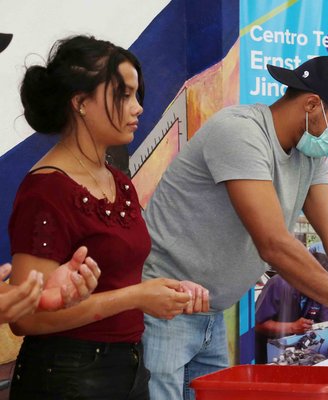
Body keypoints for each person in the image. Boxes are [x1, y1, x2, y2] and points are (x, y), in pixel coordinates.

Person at [141, 55, 328, 399]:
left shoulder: (311, 155)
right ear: (312, 104)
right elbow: (274, 243)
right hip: (164, 309)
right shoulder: (241, 132)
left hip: (209, 312)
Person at [8, 35, 199, 400]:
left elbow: (119, 277)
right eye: (123, 95)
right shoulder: (47, 190)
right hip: (67, 374)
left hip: (128, 367)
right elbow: (25, 318)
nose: (138, 107)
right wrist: (136, 297)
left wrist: (164, 291)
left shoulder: (119, 182)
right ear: (80, 103)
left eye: (136, 94)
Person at [254, 251, 328, 364]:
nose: (322, 289)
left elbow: (325, 324)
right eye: (319, 283)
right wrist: (291, 327)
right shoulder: (279, 284)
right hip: (270, 354)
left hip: (300, 354)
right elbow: (258, 325)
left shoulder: (321, 292)